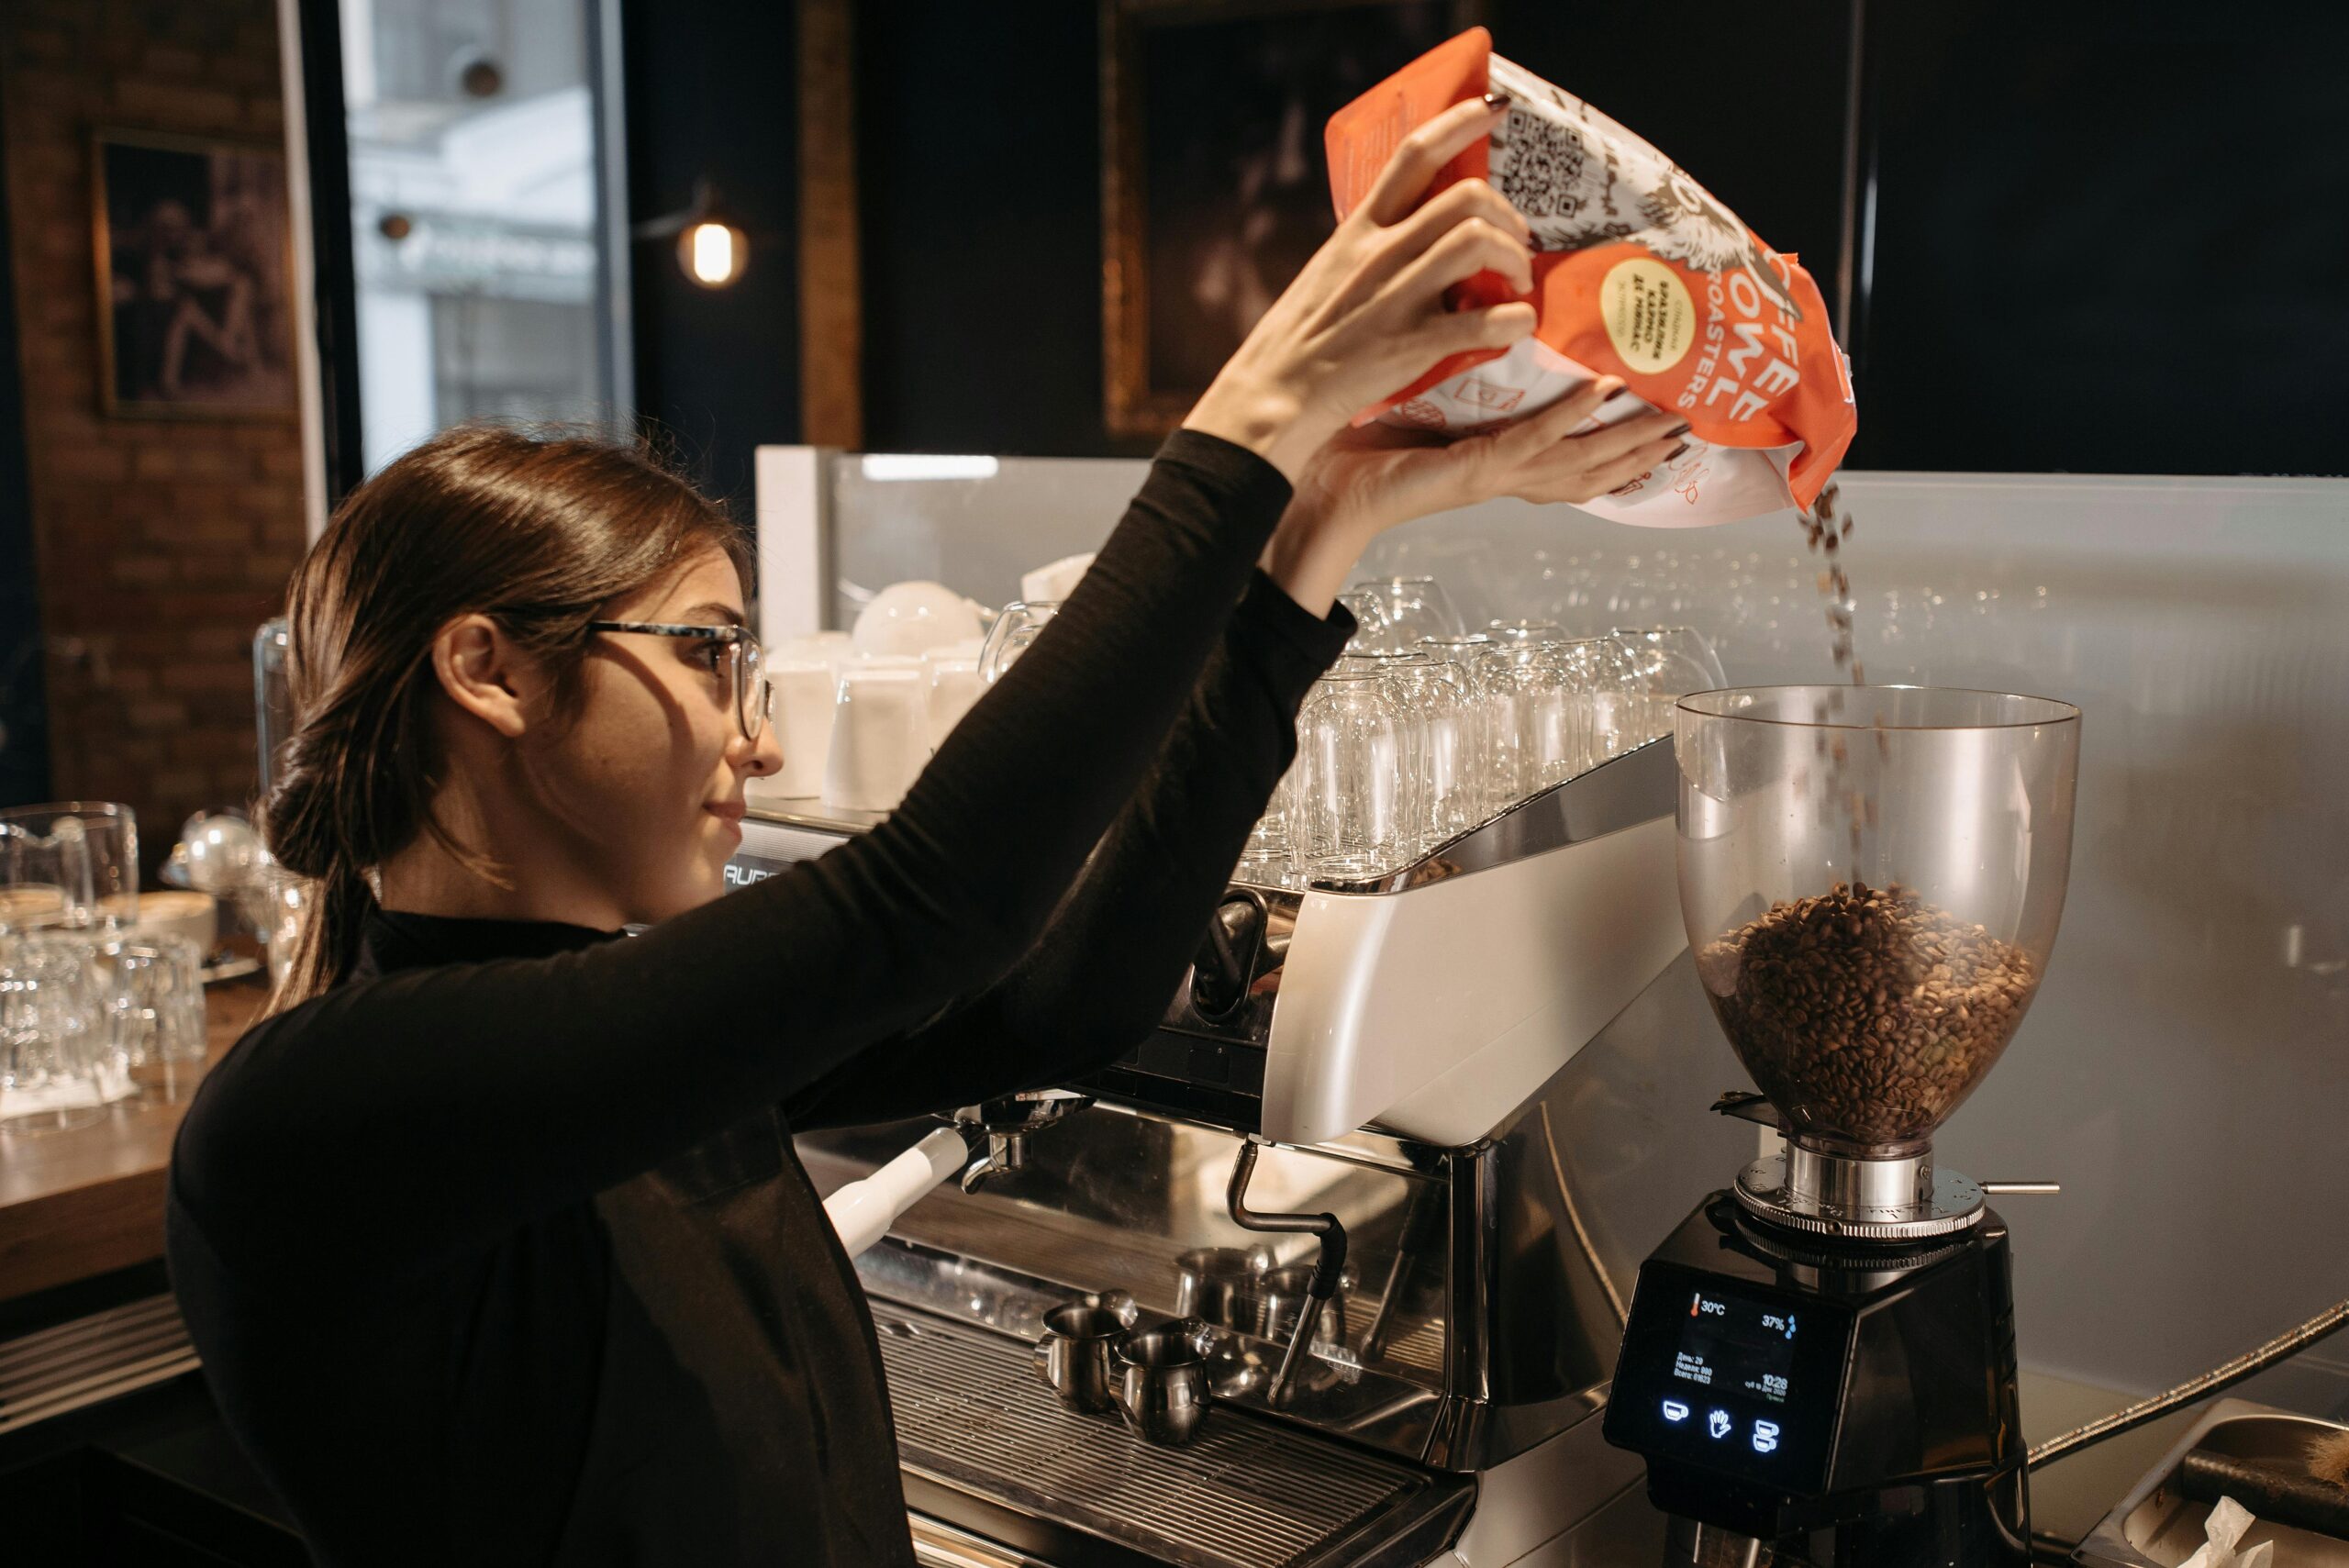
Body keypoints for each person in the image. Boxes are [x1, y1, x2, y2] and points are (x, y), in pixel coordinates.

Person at [166, 98, 1691, 1566]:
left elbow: (1064, 1001)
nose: (755, 735)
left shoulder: (626, 1040)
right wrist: (1252, 420)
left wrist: (1315, 538)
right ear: (487, 669)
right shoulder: (322, 1115)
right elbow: (934, 902)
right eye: (708, 652)